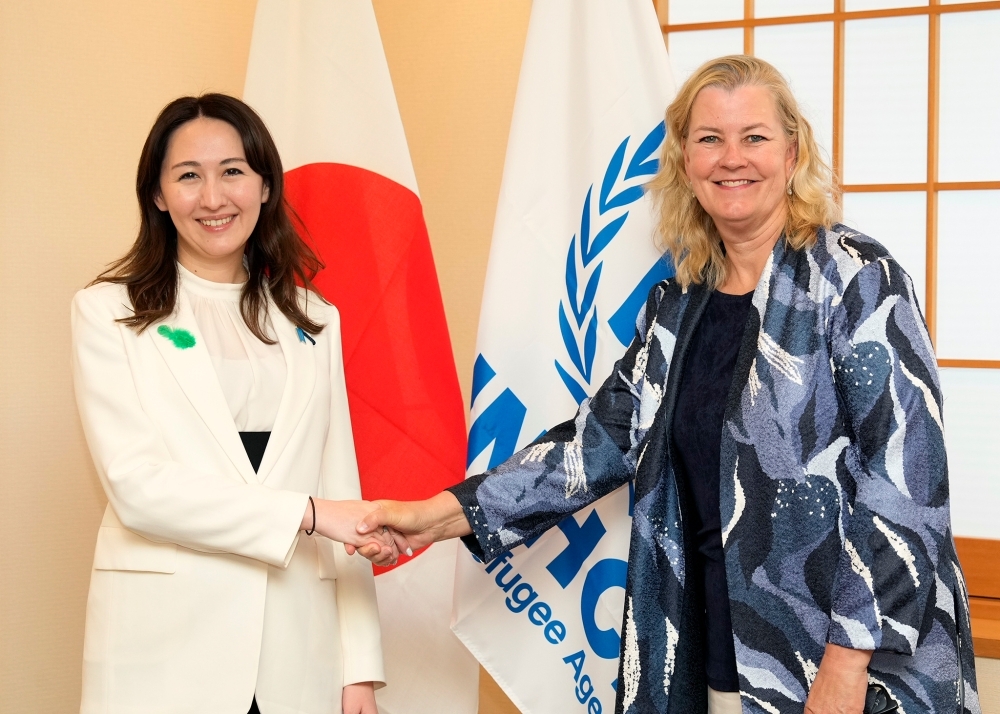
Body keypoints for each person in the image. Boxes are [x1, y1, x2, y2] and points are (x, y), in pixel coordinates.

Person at [355, 56, 980, 714]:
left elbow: (906, 480)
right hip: (715, 658)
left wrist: (846, 662)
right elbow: (589, 448)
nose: (732, 158)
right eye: (710, 138)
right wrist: (434, 517)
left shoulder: (858, 280)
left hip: (850, 674)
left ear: (792, 153)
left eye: (755, 137)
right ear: (685, 160)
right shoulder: (678, 307)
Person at [72, 94, 398, 714]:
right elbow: (136, 486)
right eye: (188, 176)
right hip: (164, 651)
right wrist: (305, 512)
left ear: (265, 185)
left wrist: (360, 667)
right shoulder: (107, 312)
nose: (214, 197)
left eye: (233, 172)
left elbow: (340, 488)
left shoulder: (316, 321)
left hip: (298, 656)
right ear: (159, 195)